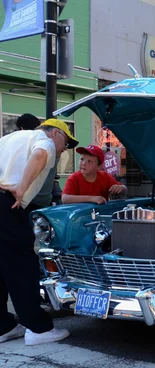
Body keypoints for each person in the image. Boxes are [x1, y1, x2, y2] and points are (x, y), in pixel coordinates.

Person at [0, 118, 76, 345]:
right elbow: (40, 155)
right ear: (54, 133)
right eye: (66, 142)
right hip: (8, 206)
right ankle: (38, 329)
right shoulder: (44, 140)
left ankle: (3, 326)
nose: (65, 149)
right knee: (22, 267)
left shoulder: (7, 139)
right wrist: (20, 188)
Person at [14, 114, 61, 213]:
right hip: (45, 200)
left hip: (27, 200)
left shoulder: (31, 147)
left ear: (22, 129)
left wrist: (20, 190)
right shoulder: (53, 147)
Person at [62, 145, 127, 204]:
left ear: (99, 167)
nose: (84, 163)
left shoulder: (105, 177)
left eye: (89, 161)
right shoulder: (74, 178)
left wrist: (121, 188)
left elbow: (124, 189)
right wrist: (92, 198)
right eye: (82, 159)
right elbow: (65, 199)